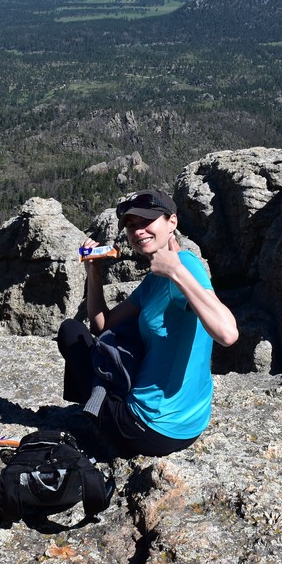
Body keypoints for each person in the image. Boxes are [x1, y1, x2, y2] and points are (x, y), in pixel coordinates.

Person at [56, 189, 238, 458]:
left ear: (172, 222)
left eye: (146, 222)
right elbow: (102, 325)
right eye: (131, 225)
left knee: (70, 332)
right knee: (97, 333)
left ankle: (95, 416)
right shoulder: (155, 278)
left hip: (149, 428)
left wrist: (175, 271)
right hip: (190, 424)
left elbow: (228, 333)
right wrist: (93, 272)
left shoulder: (185, 266)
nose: (138, 230)